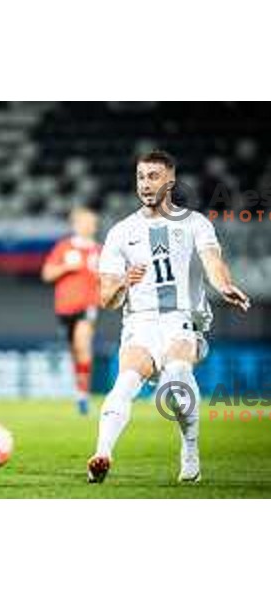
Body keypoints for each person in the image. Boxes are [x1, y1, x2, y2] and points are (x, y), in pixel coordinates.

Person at [88, 150, 250, 484]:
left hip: (182, 320)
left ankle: (189, 449)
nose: (145, 184)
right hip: (140, 324)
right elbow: (106, 298)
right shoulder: (121, 231)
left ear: (171, 181)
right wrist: (123, 281)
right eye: (140, 177)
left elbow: (212, 262)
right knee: (124, 384)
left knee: (176, 377)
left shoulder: (194, 223)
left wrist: (224, 285)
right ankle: (102, 454)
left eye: (153, 176)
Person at [42, 207, 100, 415]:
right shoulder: (64, 247)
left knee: (82, 344)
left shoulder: (98, 251)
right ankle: (80, 391)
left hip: (88, 307)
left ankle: (84, 397)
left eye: (93, 223)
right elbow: (47, 274)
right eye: (87, 222)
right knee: (75, 352)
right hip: (65, 308)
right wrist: (66, 267)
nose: (91, 226)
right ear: (77, 225)